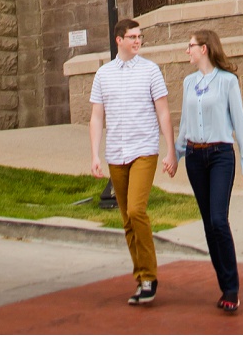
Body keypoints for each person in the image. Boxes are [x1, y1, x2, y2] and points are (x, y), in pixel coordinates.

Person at [90, 16, 176, 306]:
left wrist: (171, 150)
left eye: (140, 37)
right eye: (133, 37)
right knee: (127, 219)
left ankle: (150, 276)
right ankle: (141, 278)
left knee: (137, 210)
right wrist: (94, 155)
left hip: (144, 150)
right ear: (119, 40)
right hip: (116, 153)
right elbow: (96, 116)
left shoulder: (151, 71)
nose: (138, 41)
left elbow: (163, 112)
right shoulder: (103, 75)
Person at [167, 27, 243, 315]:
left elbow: (239, 124)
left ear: (204, 48)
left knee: (218, 220)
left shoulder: (228, 82)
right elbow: (186, 124)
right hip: (194, 156)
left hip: (220, 156)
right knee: (207, 223)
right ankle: (224, 285)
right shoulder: (189, 83)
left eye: (190, 45)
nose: (187, 50)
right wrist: (175, 155)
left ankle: (232, 289)